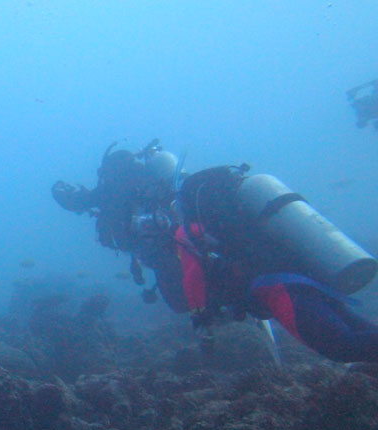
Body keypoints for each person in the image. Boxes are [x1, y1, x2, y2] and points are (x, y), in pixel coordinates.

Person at [52, 140, 378, 363]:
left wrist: (201, 322)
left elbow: (192, 276)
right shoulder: (220, 219)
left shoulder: (187, 229)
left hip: (275, 287)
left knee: (343, 346)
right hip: (306, 273)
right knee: (360, 332)